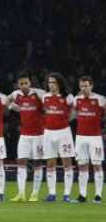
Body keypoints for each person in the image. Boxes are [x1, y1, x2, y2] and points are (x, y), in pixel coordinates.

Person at [7, 72, 46, 202]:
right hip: (24, 134)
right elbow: (7, 101)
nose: (24, 86)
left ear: (30, 83)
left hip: (39, 134)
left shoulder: (39, 93)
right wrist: (16, 108)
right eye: (21, 84)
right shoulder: (16, 94)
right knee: (21, 161)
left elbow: (49, 104)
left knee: (38, 163)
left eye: (26, 83)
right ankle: (21, 193)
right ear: (18, 84)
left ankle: (34, 194)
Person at [40, 73, 75, 202]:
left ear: (59, 83)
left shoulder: (68, 97)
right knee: (50, 163)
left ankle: (66, 195)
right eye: (49, 82)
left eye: (54, 82)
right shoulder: (45, 97)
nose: (51, 85)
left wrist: (66, 120)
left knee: (67, 163)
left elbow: (76, 111)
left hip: (64, 133)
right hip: (49, 133)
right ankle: (52, 194)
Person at [72, 76, 105, 203]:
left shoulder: (100, 99)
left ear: (91, 86)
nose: (83, 89)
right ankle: (82, 195)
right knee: (82, 166)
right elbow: (74, 115)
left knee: (97, 165)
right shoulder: (77, 99)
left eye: (86, 86)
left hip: (95, 137)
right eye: (81, 86)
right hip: (80, 137)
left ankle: (98, 195)